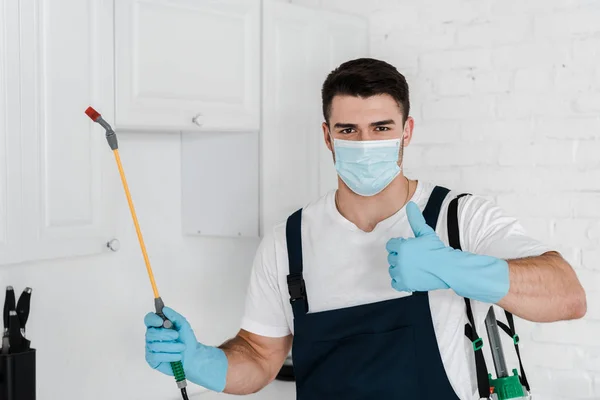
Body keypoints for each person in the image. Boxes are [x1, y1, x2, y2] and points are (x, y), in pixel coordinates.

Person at [144, 58, 587, 399]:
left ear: (406, 131)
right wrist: (199, 360)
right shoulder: (289, 241)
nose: (365, 143)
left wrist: (458, 268)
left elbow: (567, 295)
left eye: (381, 127)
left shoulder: (458, 217)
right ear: (326, 135)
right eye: (348, 129)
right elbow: (260, 357)